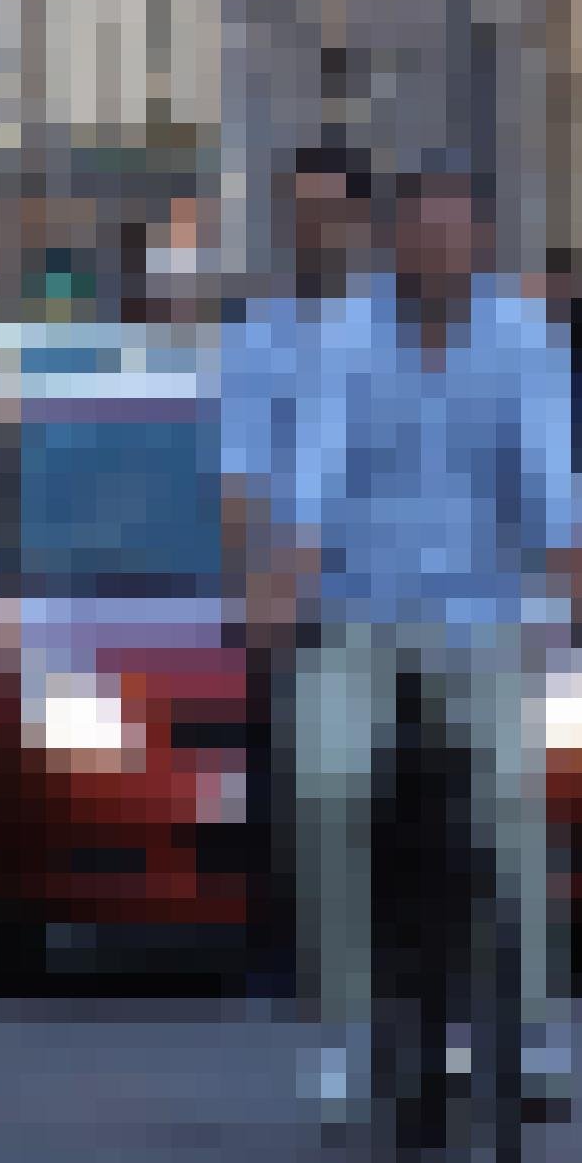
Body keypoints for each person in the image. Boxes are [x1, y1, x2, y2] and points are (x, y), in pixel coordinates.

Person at [268, 162, 582, 1132]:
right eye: (423, 236)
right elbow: (316, 468)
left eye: (458, 237)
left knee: (513, 792)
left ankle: (534, 1027)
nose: (440, 255)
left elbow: (549, 471)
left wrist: (578, 576)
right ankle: (342, 1029)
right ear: (395, 245)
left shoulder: (522, 336)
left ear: (482, 247)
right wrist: (288, 572)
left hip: (483, 615)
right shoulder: (345, 338)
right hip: (358, 610)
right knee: (328, 784)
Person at [220, 143, 376, 1024]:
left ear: (358, 224)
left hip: (399, 585)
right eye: (300, 213)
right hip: (298, 592)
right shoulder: (256, 339)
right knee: (293, 774)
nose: (314, 229)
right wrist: (260, 590)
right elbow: (241, 483)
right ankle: (293, 952)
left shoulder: (398, 331)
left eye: (330, 212)